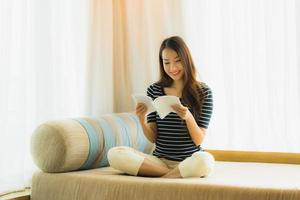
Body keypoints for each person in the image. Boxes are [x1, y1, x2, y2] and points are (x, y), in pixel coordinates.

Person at [107, 36, 214, 178]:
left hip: (189, 160)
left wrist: (188, 117)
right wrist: (141, 119)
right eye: (166, 62)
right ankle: (172, 175)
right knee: (115, 154)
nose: (172, 68)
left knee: (205, 161)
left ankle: (165, 176)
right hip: (159, 161)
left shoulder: (203, 92)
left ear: (186, 60)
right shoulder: (154, 90)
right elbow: (152, 138)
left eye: (177, 61)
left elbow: (199, 140)